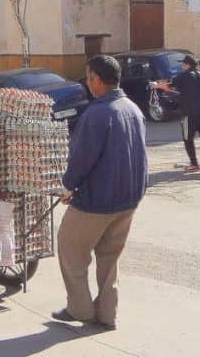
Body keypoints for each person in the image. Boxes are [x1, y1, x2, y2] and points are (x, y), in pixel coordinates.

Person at [52, 55, 147, 331]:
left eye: (88, 77)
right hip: (128, 199)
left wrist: (67, 187)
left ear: (96, 80)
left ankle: (80, 309)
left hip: (96, 201)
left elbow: (81, 158)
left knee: (71, 249)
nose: (88, 83)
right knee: (109, 257)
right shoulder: (131, 108)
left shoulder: (97, 113)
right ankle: (107, 314)